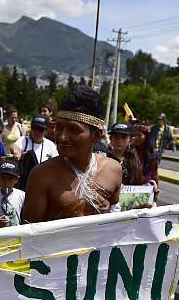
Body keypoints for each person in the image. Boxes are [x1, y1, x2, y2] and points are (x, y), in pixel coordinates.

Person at [24, 86, 122, 223]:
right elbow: (29, 234)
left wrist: (142, 215)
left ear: (97, 136)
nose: (63, 137)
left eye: (74, 130)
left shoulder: (113, 170)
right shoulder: (42, 175)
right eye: (59, 127)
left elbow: (117, 217)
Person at [13, 114, 58, 190]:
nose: (36, 132)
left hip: (42, 184)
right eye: (34, 128)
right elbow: (15, 147)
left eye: (40, 129)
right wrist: (17, 153)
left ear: (46, 130)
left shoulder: (50, 145)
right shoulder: (24, 140)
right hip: (24, 184)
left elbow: (57, 163)